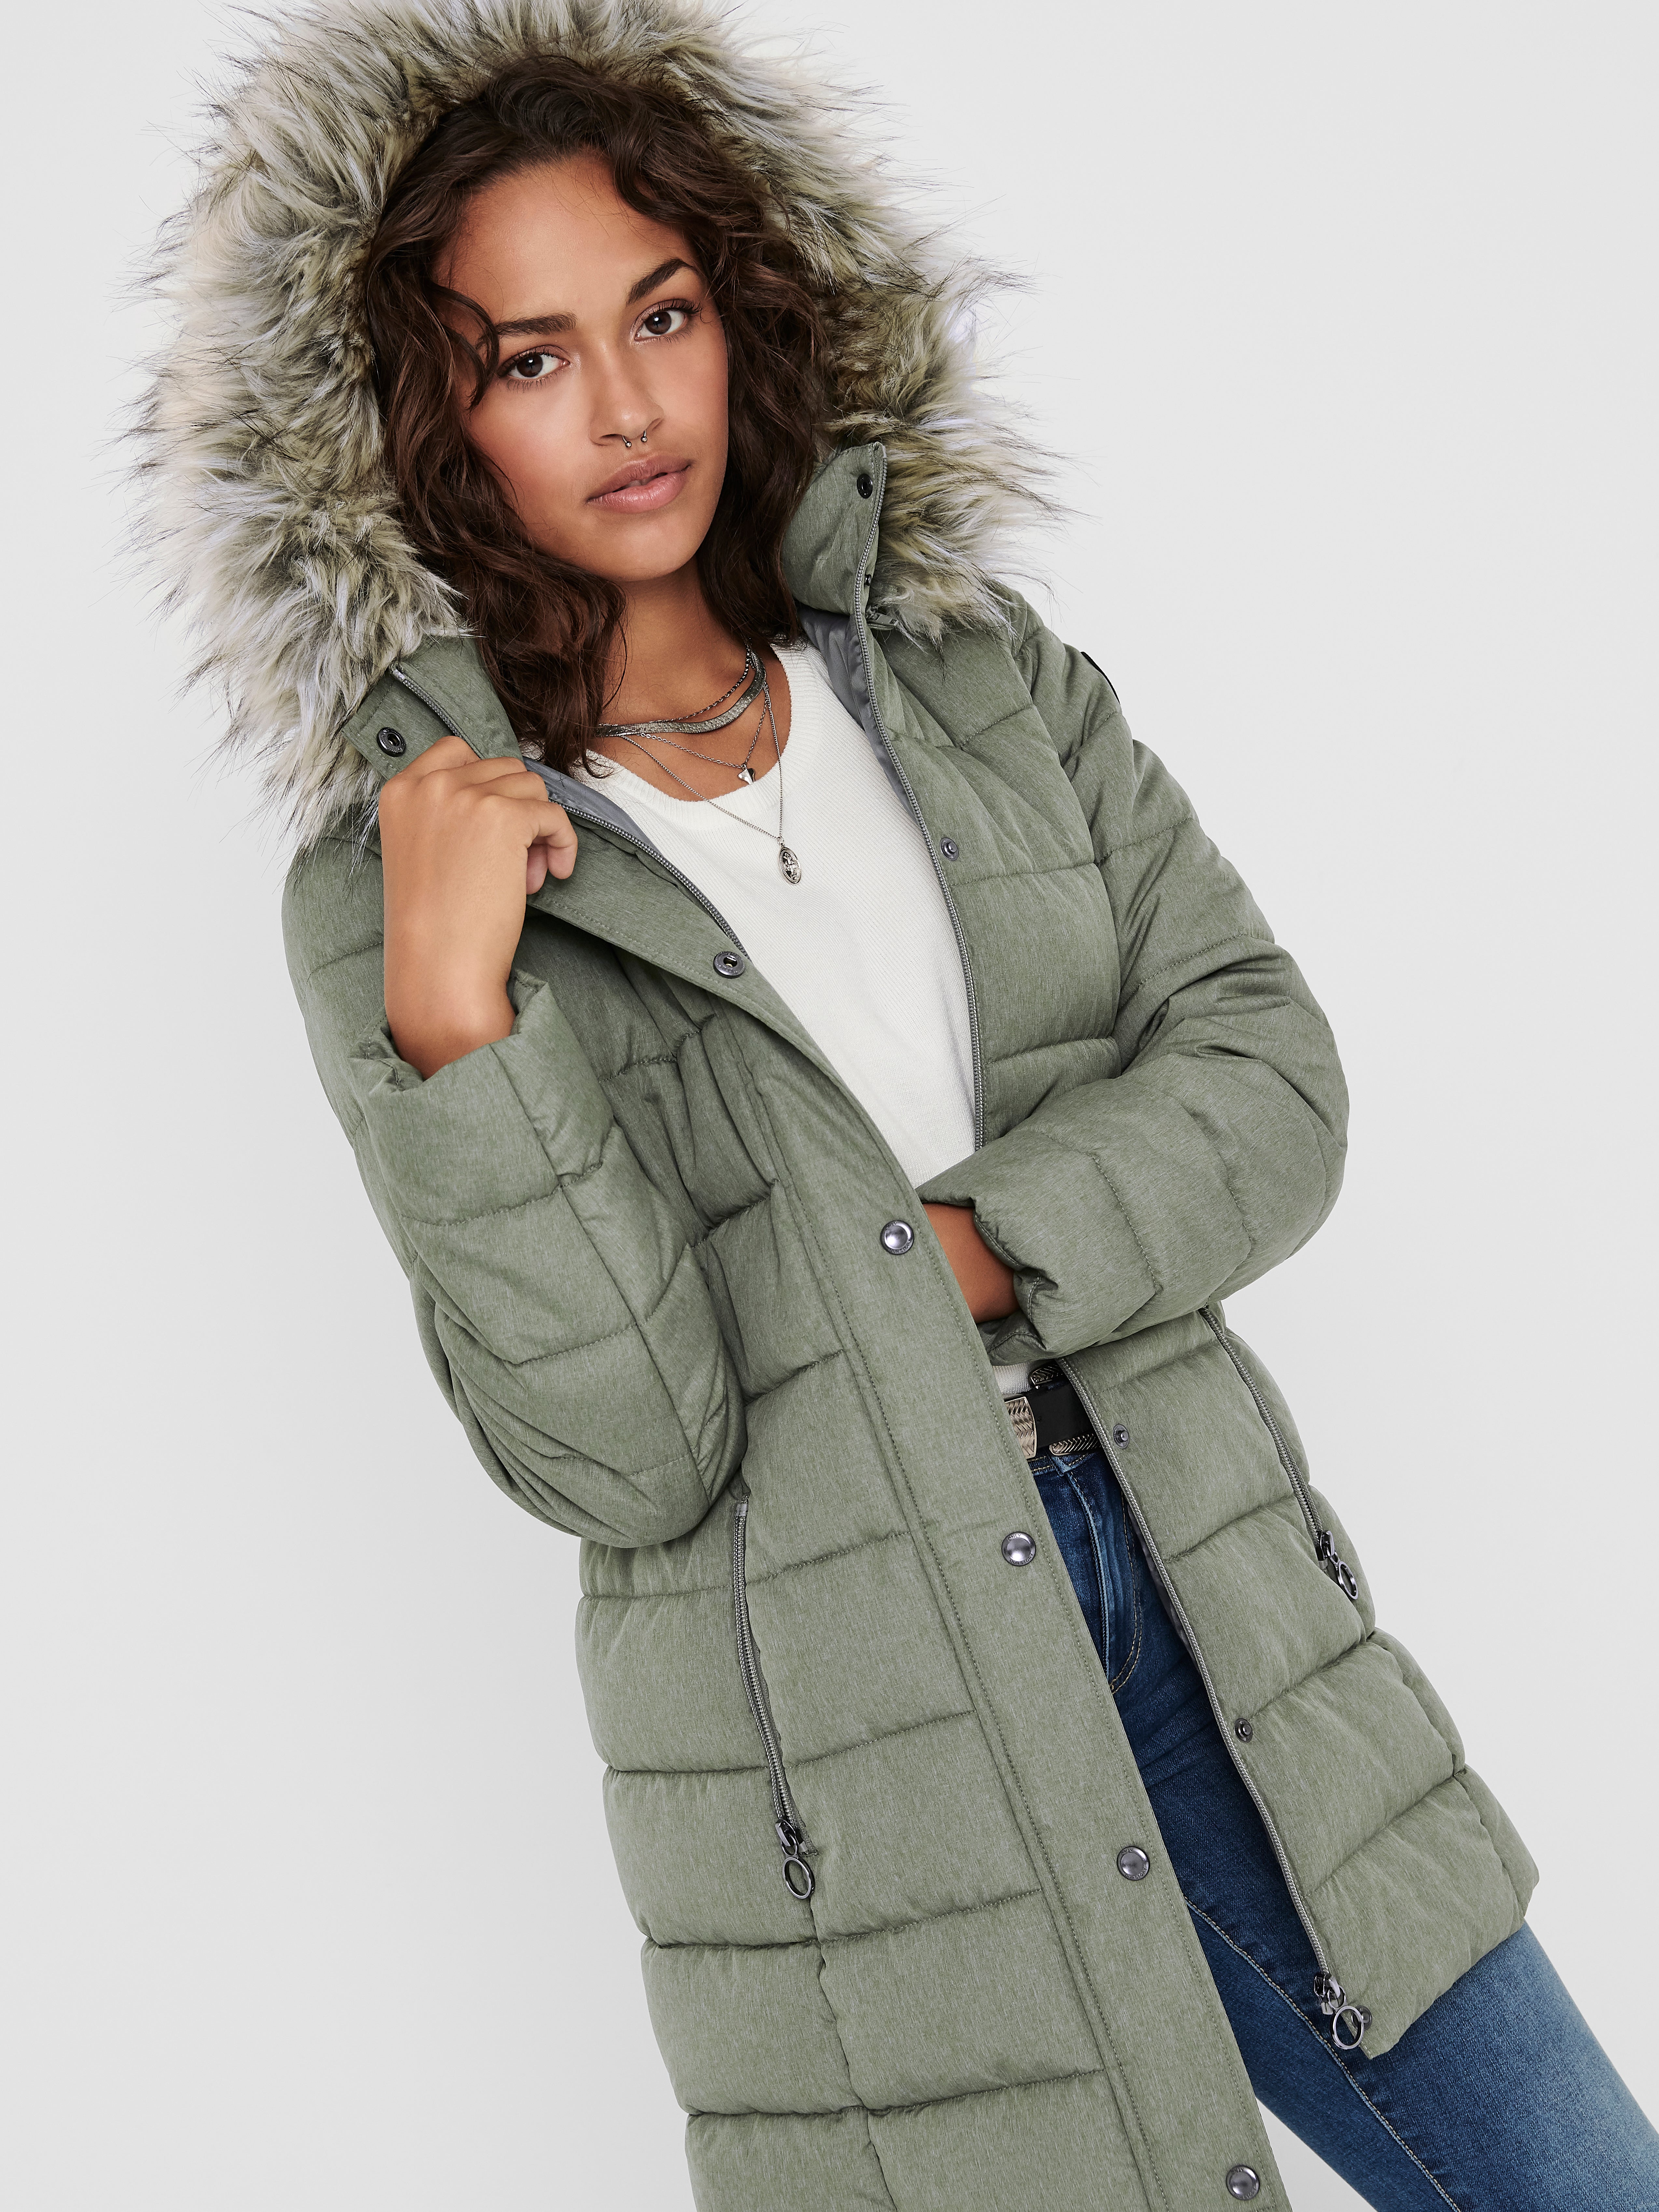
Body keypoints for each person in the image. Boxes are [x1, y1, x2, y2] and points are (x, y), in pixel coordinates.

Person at [140, 3, 1657, 2206]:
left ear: (748, 312)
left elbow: (1270, 1080)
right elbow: (625, 1452)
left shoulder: (982, 681)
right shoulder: (400, 886)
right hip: (864, 1753)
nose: (630, 404)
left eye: (662, 314)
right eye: (533, 357)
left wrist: (961, 1254)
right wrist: (460, 1019)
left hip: (1216, 1609)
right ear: (419, 420)